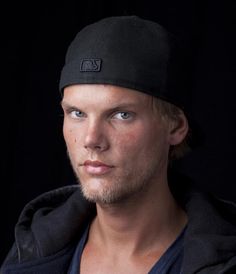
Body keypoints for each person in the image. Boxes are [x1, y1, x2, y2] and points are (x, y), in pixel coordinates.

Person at [1, 15, 236, 274]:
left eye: (121, 115)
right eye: (77, 113)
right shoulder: (32, 252)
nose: (91, 140)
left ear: (176, 127)